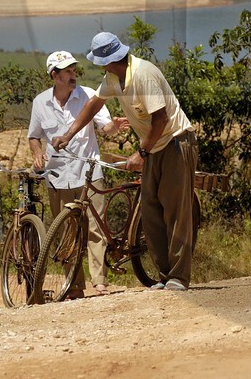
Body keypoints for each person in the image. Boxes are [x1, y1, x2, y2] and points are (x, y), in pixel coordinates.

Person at [53, 32, 197, 290]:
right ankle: (165, 276)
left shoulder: (143, 74)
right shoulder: (113, 78)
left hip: (175, 142)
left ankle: (179, 277)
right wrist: (68, 134)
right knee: (151, 211)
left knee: (175, 212)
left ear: (106, 61)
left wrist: (140, 153)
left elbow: (161, 119)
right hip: (154, 146)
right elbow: (94, 105)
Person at [28, 50, 119, 296]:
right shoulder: (40, 102)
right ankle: (74, 285)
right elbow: (34, 136)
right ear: (54, 75)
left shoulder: (88, 95)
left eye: (73, 69)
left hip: (89, 171)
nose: (73, 74)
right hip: (57, 176)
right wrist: (37, 152)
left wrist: (114, 127)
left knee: (95, 227)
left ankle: (99, 281)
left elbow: (106, 127)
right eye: (67, 71)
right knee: (67, 231)